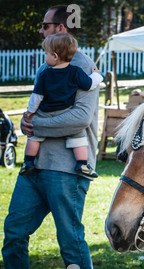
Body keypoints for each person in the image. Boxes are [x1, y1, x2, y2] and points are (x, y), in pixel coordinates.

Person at [2, 4, 99, 269]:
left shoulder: (83, 67)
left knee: (70, 243)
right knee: (14, 234)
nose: (41, 30)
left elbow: (79, 119)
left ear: (61, 28)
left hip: (68, 169)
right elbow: (34, 108)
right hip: (34, 167)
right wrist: (25, 120)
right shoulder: (48, 65)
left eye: (45, 25)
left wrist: (37, 124)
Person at [20, 33, 102, 178]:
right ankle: (82, 164)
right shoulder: (76, 72)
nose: (45, 57)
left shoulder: (45, 74)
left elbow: (37, 97)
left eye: (46, 53)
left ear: (55, 56)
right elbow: (89, 85)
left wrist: (30, 112)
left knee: (34, 136)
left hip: (45, 112)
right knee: (78, 137)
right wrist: (97, 75)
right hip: (65, 111)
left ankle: (28, 162)